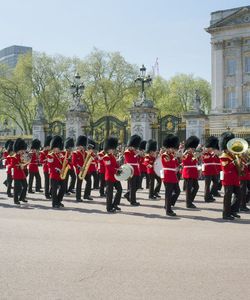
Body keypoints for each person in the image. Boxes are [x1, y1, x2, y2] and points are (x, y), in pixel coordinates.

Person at [219, 132, 241, 220]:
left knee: (239, 195)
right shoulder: (223, 156)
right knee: (227, 197)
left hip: (235, 178)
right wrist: (235, 161)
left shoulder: (233, 155)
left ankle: (233, 211)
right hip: (228, 178)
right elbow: (226, 167)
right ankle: (226, 214)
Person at [161, 134, 180, 217]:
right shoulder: (164, 155)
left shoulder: (172, 155)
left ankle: (168, 204)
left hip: (173, 175)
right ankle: (168, 210)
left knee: (177, 191)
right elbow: (168, 163)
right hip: (168, 175)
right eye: (171, 147)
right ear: (167, 147)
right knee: (168, 193)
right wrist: (174, 157)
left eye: (173, 147)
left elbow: (176, 164)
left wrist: (179, 165)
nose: (172, 149)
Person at [103, 137, 122, 213]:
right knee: (110, 193)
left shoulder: (112, 156)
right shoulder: (106, 157)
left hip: (115, 176)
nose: (113, 150)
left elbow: (115, 165)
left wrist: (120, 168)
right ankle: (109, 207)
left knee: (119, 190)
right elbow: (109, 167)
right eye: (112, 148)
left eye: (113, 148)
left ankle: (115, 204)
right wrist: (116, 170)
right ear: (108, 148)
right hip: (109, 177)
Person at [182, 136, 200, 209]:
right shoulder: (185, 154)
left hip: (193, 172)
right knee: (188, 189)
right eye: (192, 148)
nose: (193, 149)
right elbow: (186, 162)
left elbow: (195, 163)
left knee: (196, 187)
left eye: (193, 148)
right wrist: (194, 157)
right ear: (188, 148)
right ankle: (188, 203)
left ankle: (190, 200)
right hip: (188, 172)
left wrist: (195, 157)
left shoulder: (193, 154)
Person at [47, 136, 65, 208]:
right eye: (55, 148)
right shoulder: (50, 156)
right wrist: (57, 169)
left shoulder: (61, 155)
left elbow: (63, 163)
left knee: (63, 188)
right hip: (54, 175)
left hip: (61, 175)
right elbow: (50, 166)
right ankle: (54, 203)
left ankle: (59, 201)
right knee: (54, 190)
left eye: (57, 148)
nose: (56, 149)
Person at [124, 134, 142, 206]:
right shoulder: (127, 152)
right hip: (130, 170)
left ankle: (128, 194)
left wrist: (139, 155)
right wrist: (136, 154)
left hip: (136, 170)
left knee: (137, 185)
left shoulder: (134, 151)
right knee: (132, 186)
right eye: (132, 146)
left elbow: (138, 161)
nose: (134, 148)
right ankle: (133, 201)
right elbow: (130, 160)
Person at [201, 136, 220, 202]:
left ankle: (211, 194)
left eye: (211, 148)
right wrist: (213, 155)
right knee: (207, 185)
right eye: (210, 148)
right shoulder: (205, 153)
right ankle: (206, 197)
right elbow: (207, 160)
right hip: (207, 171)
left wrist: (214, 155)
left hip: (213, 170)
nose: (211, 149)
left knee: (216, 182)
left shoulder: (212, 153)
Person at [11, 138, 28, 205]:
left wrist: (25, 163)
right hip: (16, 174)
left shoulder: (22, 156)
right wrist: (19, 165)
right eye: (22, 150)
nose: (22, 151)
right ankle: (15, 200)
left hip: (22, 173)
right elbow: (12, 165)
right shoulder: (14, 157)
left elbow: (24, 162)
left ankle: (22, 197)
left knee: (25, 186)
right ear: (18, 149)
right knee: (16, 188)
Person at [72, 135, 87, 202]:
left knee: (89, 181)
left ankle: (86, 195)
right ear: (78, 145)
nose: (82, 147)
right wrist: (79, 167)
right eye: (80, 146)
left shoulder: (85, 152)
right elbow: (74, 162)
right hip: (79, 170)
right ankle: (78, 197)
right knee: (79, 184)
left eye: (82, 145)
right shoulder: (75, 153)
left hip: (85, 170)